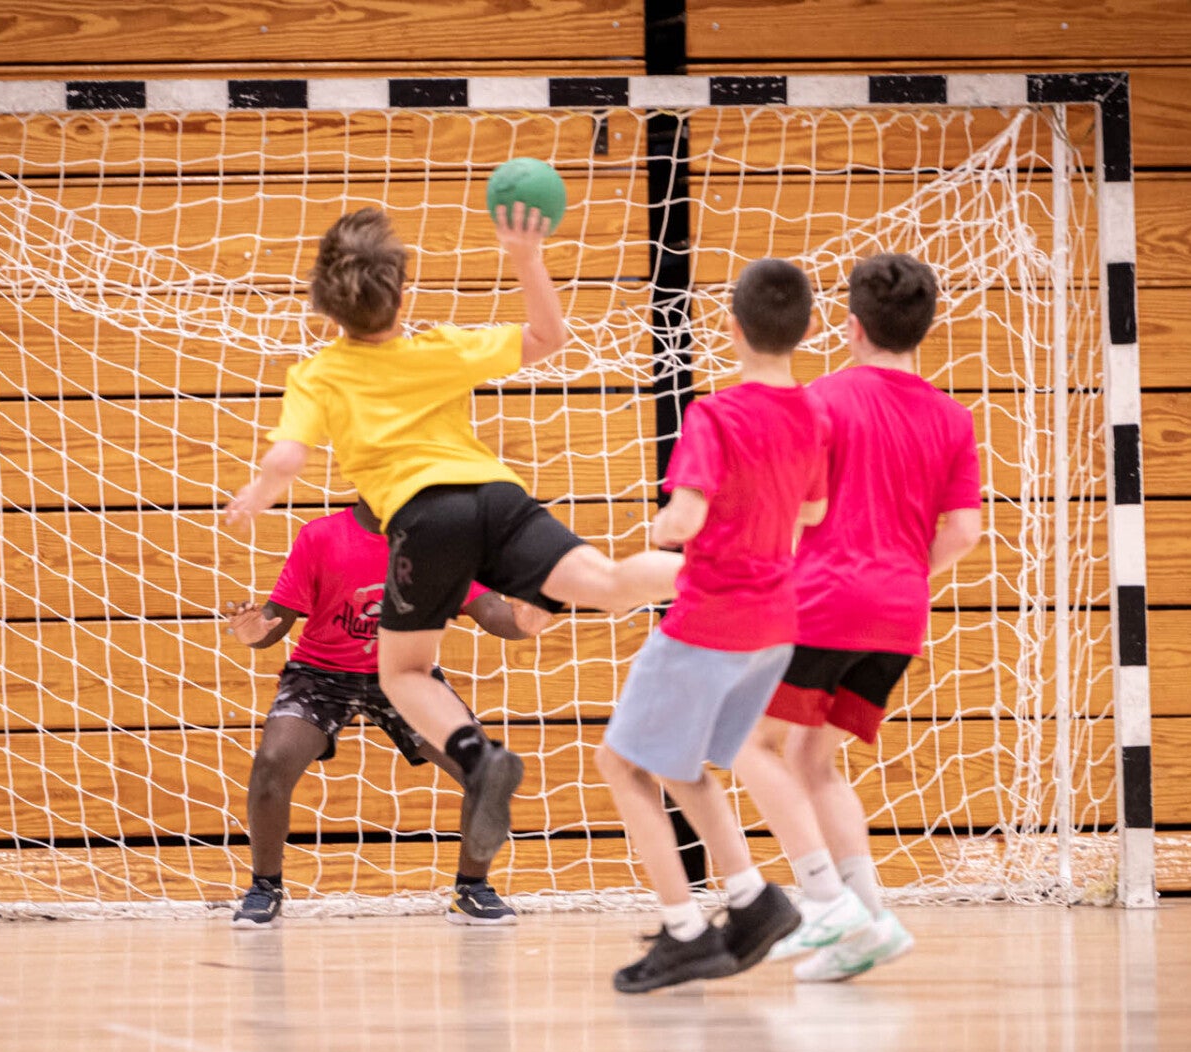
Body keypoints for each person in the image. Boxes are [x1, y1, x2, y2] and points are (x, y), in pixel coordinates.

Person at [223, 204, 682, 878]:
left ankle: (479, 758)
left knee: (404, 673)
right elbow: (548, 336)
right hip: (500, 498)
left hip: (427, 515)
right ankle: (735, 569)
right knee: (609, 585)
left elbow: (288, 458)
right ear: (401, 291)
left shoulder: (319, 374)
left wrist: (259, 492)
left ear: (326, 306)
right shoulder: (439, 347)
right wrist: (525, 257)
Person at [733, 252, 984, 983]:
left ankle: (823, 899)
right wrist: (901, 575)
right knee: (812, 759)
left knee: (744, 740)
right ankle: (870, 922)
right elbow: (965, 533)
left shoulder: (821, 400)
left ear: (849, 327)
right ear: (924, 328)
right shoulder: (952, 417)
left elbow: (791, 508)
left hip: (823, 599)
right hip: (899, 615)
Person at [597, 258, 831, 994]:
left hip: (710, 619)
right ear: (807, 329)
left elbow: (685, 519)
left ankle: (683, 930)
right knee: (680, 762)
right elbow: (813, 511)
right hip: (775, 626)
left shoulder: (715, 415)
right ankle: (753, 900)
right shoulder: (814, 415)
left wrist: (668, 523)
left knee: (620, 764)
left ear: (730, 326)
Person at [224, 499, 544, 928]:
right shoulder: (320, 536)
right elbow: (272, 625)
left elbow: (491, 612)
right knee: (272, 762)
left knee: (485, 770)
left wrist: (523, 618)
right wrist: (254, 633)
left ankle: (471, 890)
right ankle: (265, 887)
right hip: (322, 674)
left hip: (406, 672)